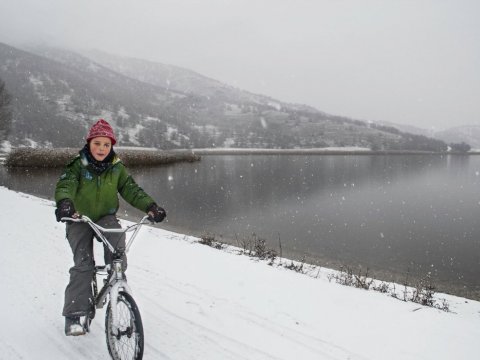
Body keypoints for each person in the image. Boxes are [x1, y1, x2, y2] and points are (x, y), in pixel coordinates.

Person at [54, 118, 166, 336]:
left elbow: (131, 190)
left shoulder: (117, 167)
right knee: (83, 264)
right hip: (78, 217)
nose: (102, 148)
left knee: (118, 252)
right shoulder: (77, 164)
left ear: (111, 146)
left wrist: (151, 207)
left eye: (106, 144)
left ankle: (116, 285)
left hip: (105, 217)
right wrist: (65, 203)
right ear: (89, 143)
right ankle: (74, 314)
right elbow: (65, 185)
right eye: (97, 143)